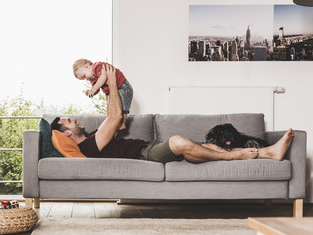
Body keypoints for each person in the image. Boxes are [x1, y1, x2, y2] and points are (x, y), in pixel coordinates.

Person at [53, 65, 294, 164]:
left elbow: (114, 121)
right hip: (145, 154)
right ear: (65, 132)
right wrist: (113, 83)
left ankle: (269, 152)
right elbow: (115, 118)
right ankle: (233, 157)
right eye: (68, 120)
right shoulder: (89, 148)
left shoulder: (95, 136)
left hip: (150, 145)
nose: (74, 119)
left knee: (211, 146)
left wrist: (106, 89)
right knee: (179, 141)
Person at [73, 58, 133, 131]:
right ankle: (116, 124)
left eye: (85, 76)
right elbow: (97, 89)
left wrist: (94, 88)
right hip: (114, 90)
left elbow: (103, 77)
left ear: (87, 66)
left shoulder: (97, 67)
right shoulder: (93, 79)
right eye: (84, 79)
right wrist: (91, 92)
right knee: (113, 108)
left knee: (123, 106)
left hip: (122, 86)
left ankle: (122, 123)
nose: (87, 79)